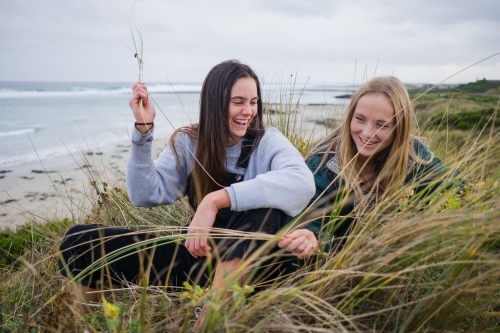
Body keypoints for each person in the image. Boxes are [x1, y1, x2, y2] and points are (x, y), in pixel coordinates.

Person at [58, 60, 315, 314]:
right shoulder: (189, 142)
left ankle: (207, 320)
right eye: (238, 102)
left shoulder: (267, 141)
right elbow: (144, 194)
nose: (248, 111)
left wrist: (214, 201)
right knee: (79, 242)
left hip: (255, 269)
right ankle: (85, 325)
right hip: (197, 256)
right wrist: (142, 132)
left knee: (262, 209)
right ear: (214, 103)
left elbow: (302, 183)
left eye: (253, 102)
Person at [278, 76, 456, 254]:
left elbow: (454, 188)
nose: (368, 132)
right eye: (360, 119)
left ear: (399, 128)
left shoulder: (414, 155)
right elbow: (306, 214)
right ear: (350, 117)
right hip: (331, 266)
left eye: (382, 125)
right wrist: (310, 235)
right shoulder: (324, 161)